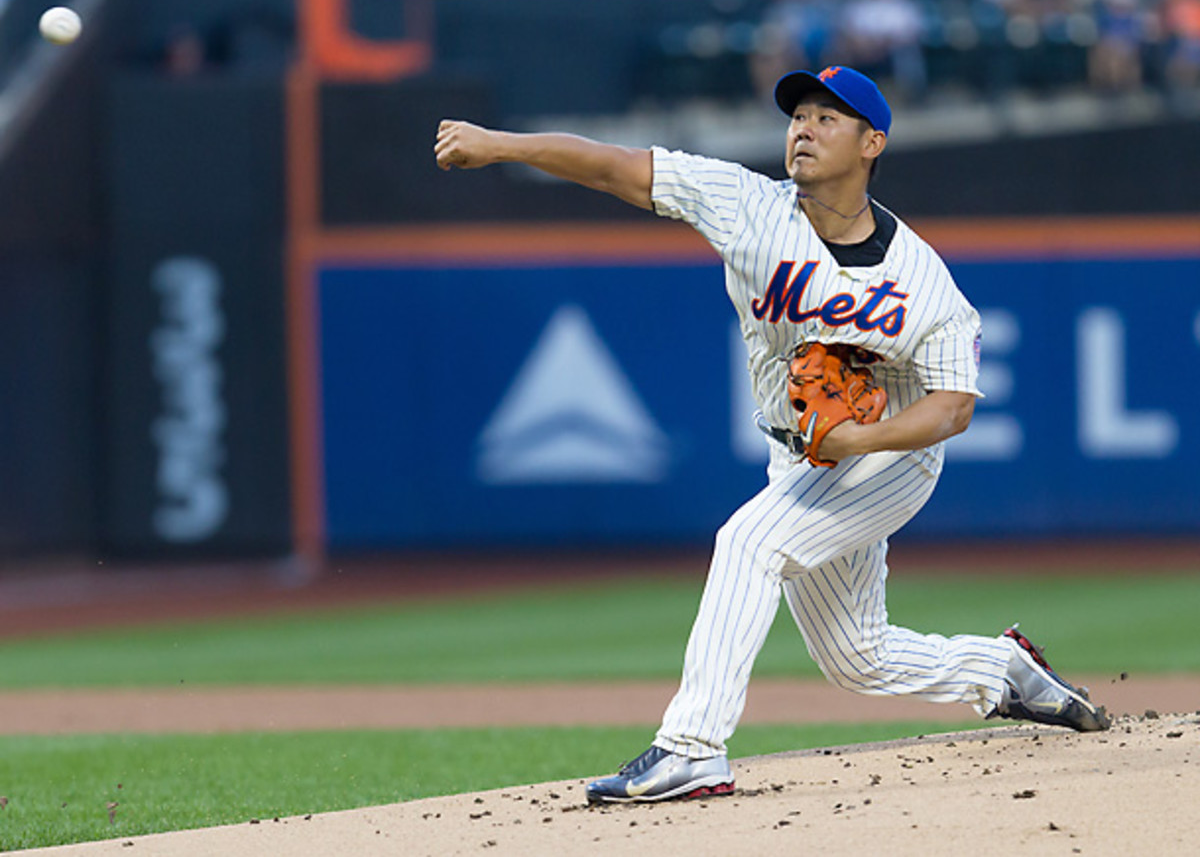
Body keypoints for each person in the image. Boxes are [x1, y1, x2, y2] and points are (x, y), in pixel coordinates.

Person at [434, 65, 1110, 805]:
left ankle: (692, 749)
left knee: (748, 543)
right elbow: (616, 167)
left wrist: (856, 441)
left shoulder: (923, 281)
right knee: (856, 656)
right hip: (799, 456)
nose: (804, 130)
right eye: (798, 116)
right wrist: (500, 144)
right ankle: (1001, 671)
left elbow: (952, 409)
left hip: (893, 456)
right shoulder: (748, 205)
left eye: (827, 118)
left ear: (872, 144)